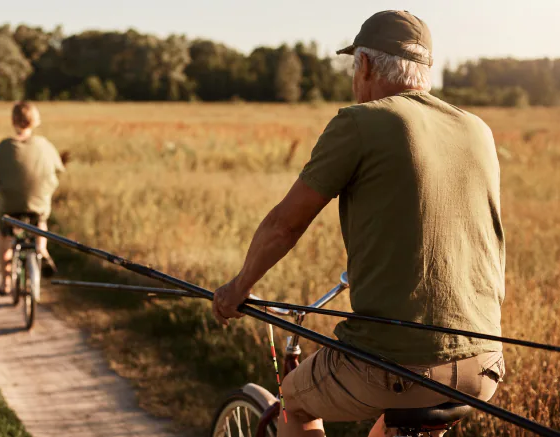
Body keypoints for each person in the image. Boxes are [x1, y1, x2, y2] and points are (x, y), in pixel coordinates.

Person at [211, 10, 506, 437]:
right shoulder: (477, 129)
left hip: (395, 362)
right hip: (485, 363)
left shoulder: (360, 121)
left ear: (364, 64)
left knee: (294, 399)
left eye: (354, 65)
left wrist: (238, 289)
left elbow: (283, 226)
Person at [0, 101, 66, 296]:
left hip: (11, 205)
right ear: (35, 121)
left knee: (5, 234)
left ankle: (5, 283)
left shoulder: (4, 146)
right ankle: (42, 249)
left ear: (13, 121)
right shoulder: (45, 145)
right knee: (41, 220)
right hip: (38, 203)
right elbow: (59, 167)